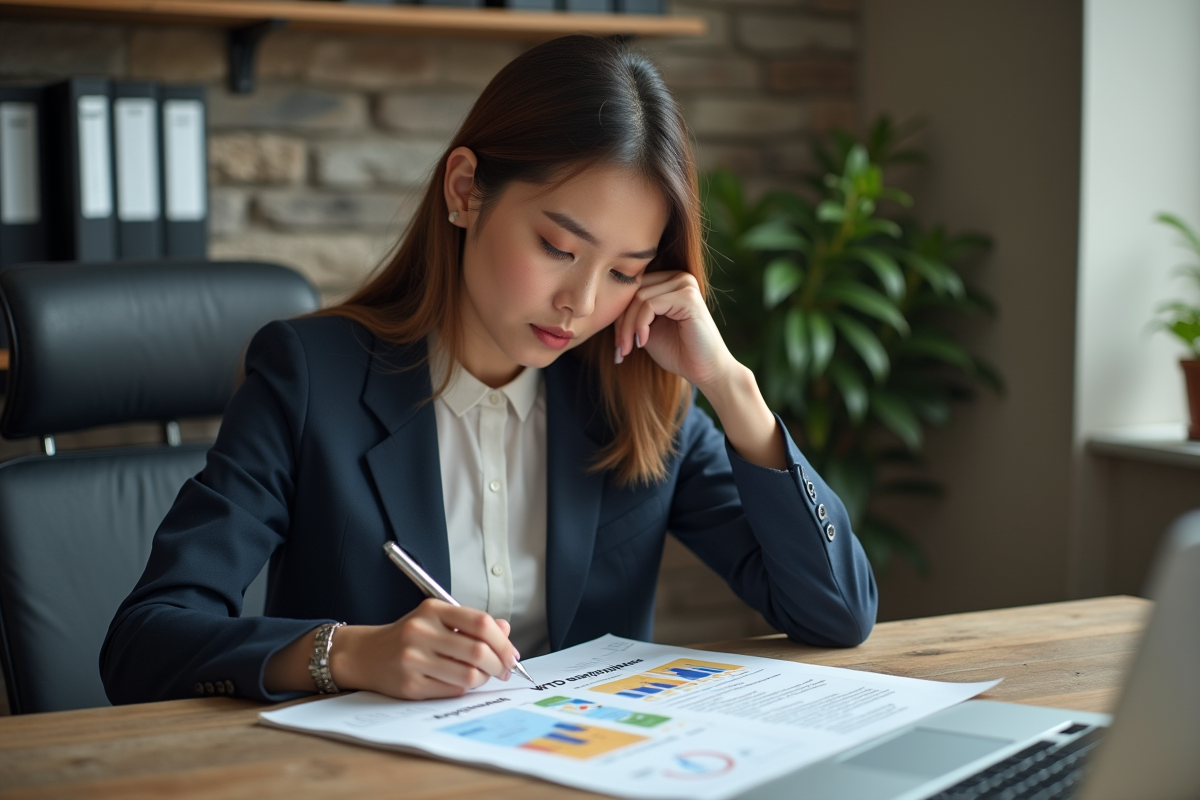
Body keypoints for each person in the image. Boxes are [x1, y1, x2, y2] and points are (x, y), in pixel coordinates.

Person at [100, 35, 877, 705]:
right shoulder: (309, 379)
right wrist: (347, 654)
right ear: (466, 190)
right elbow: (145, 642)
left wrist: (731, 386)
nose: (581, 303)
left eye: (624, 272)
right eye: (558, 248)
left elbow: (836, 614)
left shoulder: (640, 396)